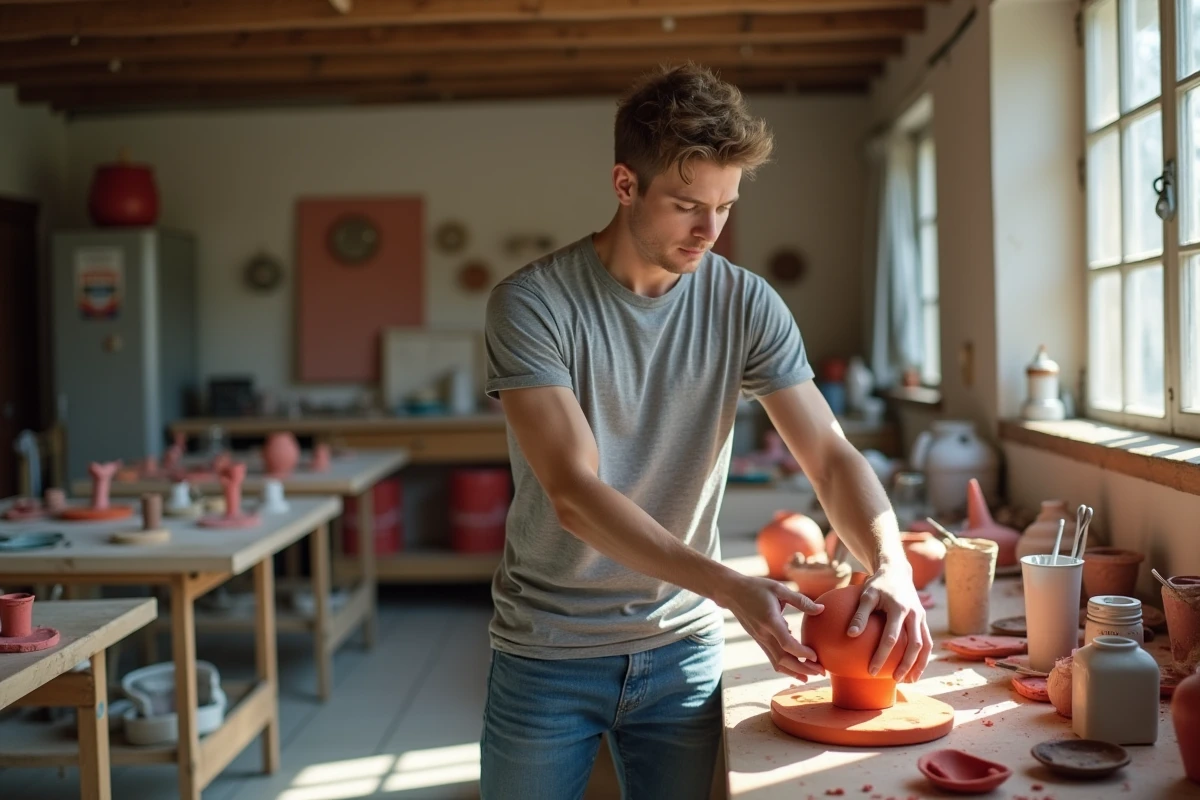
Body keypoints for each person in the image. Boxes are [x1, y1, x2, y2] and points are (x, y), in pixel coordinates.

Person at [479, 62, 930, 800]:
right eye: (688, 204)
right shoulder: (532, 305)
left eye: (724, 206)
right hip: (549, 653)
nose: (709, 231)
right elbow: (574, 493)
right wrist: (731, 587)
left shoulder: (745, 303)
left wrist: (891, 561)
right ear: (625, 185)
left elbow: (828, 452)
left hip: (680, 653)